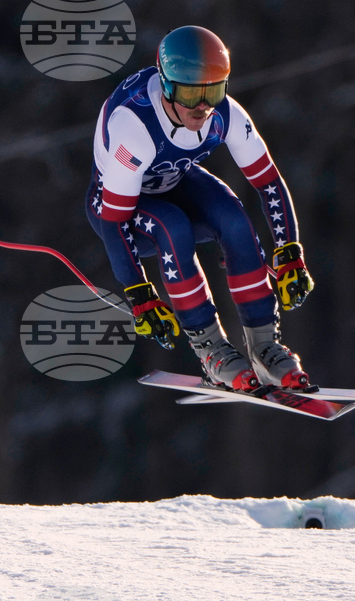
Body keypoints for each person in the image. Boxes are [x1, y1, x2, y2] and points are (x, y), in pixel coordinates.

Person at [85, 26, 314, 391]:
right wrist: (138, 292)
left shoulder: (225, 115)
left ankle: (265, 345)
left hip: (175, 180)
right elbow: (114, 219)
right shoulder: (134, 130)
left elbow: (268, 180)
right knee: (174, 227)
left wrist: (289, 251)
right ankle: (211, 349)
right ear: (166, 85)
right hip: (116, 209)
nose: (202, 106)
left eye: (213, 89)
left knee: (234, 219)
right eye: (191, 92)